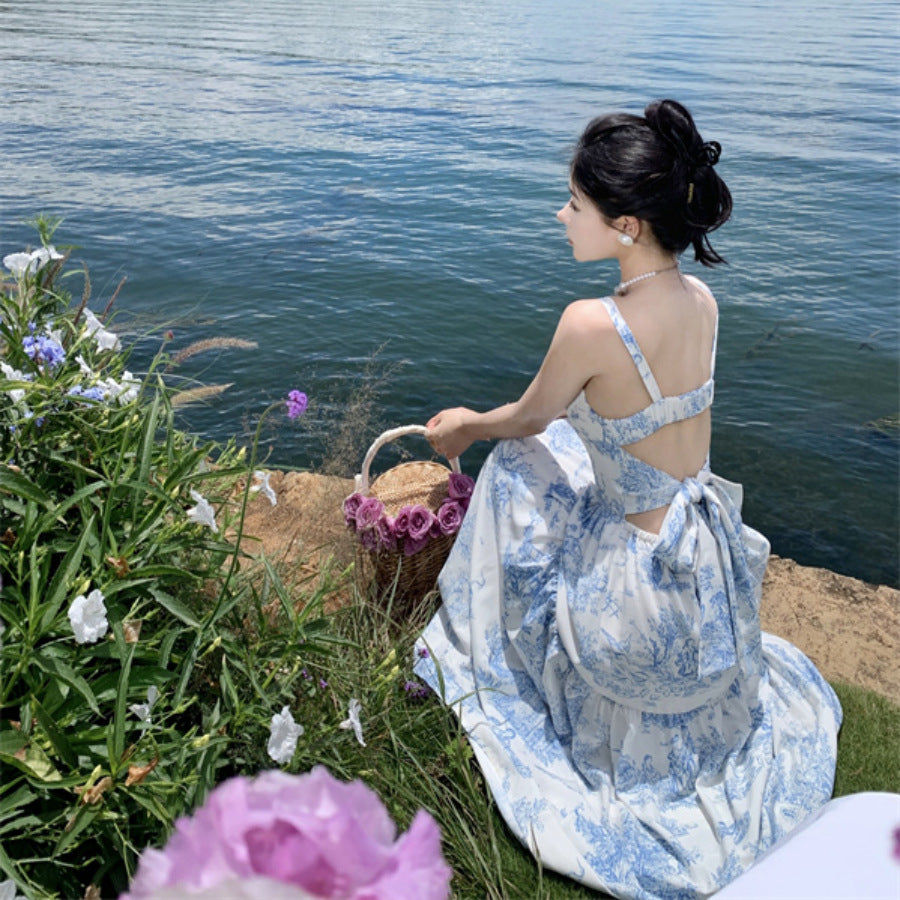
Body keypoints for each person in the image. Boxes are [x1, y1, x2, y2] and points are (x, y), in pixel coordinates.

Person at [416, 99, 842, 899]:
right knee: (574, 451)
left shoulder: (590, 324)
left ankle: (485, 635)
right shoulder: (705, 304)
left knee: (514, 460)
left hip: (636, 598)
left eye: (576, 204)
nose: (560, 215)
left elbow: (531, 417)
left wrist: (469, 425)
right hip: (702, 557)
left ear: (627, 227)